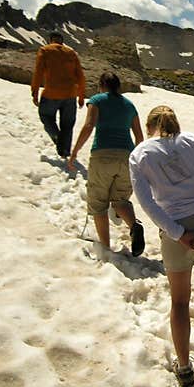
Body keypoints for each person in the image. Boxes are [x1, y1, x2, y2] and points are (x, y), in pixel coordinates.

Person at [129, 105, 194, 387]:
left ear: (150, 127)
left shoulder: (140, 154)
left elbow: (146, 202)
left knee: (179, 301)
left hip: (176, 227)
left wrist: (178, 234)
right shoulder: (193, 142)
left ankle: (184, 367)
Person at [68, 72, 145, 256]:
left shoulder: (97, 100)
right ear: (118, 86)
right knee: (120, 201)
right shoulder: (129, 105)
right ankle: (134, 226)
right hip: (126, 157)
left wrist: (75, 151)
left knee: (99, 203)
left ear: (102, 85)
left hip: (102, 154)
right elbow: (140, 137)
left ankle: (105, 247)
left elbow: (89, 125)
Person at [31, 30, 86, 158]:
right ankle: (65, 151)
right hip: (71, 94)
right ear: (62, 41)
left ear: (51, 40)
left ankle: (57, 137)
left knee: (46, 116)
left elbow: (38, 73)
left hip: (51, 93)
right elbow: (80, 76)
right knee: (68, 124)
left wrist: (35, 92)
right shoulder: (71, 53)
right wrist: (81, 97)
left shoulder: (45, 50)